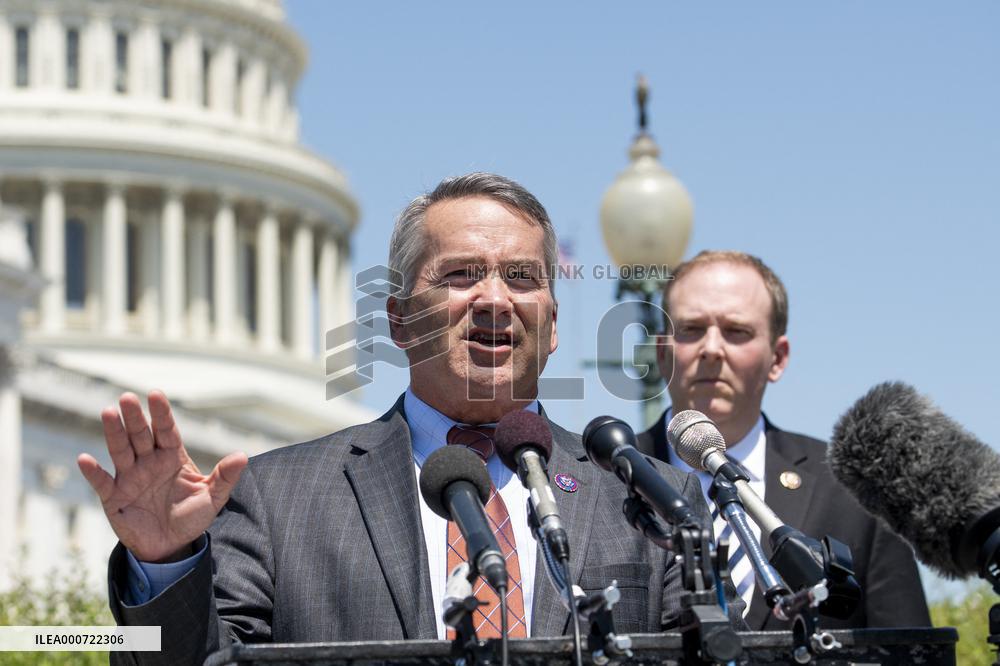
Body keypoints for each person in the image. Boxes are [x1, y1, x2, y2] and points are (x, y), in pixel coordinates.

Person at [78, 173, 738, 665]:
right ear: (397, 320)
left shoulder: (648, 498)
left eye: (521, 276)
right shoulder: (275, 498)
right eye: (460, 275)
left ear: (554, 324)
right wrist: (167, 565)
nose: (494, 299)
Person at [637, 250, 931, 630]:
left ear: (778, 357)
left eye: (736, 331)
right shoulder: (601, 479)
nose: (711, 349)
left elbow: (910, 650)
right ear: (663, 353)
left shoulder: (855, 489)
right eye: (691, 329)